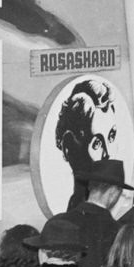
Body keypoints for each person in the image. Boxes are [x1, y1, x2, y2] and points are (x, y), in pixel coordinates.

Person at [55, 77, 119, 205]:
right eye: (97, 143)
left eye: (111, 136)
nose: (109, 153)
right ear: (69, 149)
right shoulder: (66, 223)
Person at [63, 156, 128, 267]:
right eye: (120, 193)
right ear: (113, 193)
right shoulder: (118, 231)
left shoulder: (57, 221)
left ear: (89, 186)